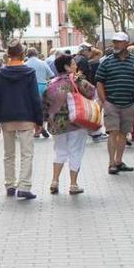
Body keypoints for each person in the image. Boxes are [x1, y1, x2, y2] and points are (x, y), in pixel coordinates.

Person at [0, 39, 43, 200]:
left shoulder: (0, 74)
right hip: (26, 116)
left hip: (6, 118)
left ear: (8, 55)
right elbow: (35, 98)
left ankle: (10, 184)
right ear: (22, 54)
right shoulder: (29, 73)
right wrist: (39, 120)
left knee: (9, 153)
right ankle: (24, 186)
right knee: (27, 153)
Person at [43, 54, 97, 194]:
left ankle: (54, 181)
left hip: (57, 125)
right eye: (73, 63)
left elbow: (45, 105)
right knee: (75, 151)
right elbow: (92, 93)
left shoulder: (51, 83)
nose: (75, 66)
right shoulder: (77, 80)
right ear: (67, 67)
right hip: (76, 122)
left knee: (59, 152)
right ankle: (73, 184)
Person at [96, 32, 134, 175]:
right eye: (114, 42)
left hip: (129, 103)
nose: (116, 44)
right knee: (113, 132)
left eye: (119, 42)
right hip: (112, 103)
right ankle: (111, 163)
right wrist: (104, 101)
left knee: (123, 133)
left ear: (126, 43)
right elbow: (99, 82)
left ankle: (119, 161)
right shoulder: (106, 62)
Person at [25, 48, 54, 138]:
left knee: (32, 110)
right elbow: (51, 75)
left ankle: (36, 130)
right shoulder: (43, 63)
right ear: (37, 54)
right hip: (43, 87)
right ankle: (41, 126)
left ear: (27, 55)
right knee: (43, 109)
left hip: (30, 88)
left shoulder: (25, 64)